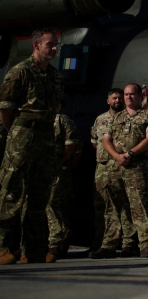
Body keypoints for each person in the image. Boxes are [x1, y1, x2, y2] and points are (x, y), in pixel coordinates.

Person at [0, 27, 64, 265]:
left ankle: (34, 250)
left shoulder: (55, 76)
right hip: (22, 135)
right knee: (11, 192)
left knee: (40, 195)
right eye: (50, 44)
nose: (55, 48)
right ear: (36, 45)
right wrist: (15, 134)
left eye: (56, 44)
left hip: (46, 137)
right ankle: (4, 247)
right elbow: (5, 108)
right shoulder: (20, 72)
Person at [103, 82, 148, 258]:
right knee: (113, 207)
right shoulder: (115, 118)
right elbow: (106, 140)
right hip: (116, 166)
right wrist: (117, 156)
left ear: (140, 96)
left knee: (139, 206)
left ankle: (146, 244)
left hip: (136, 167)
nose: (128, 97)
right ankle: (109, 245)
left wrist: (131, 153)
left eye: (132, 94)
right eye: (126, 94)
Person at [89, 88, 134, 258]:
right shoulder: (100, 119)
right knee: (102, 206)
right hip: (102, 166)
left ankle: (128, 243)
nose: (117, 100)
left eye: (119, 98)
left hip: (121, 166)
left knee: (125, 205)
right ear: (108, 101)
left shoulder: (128, 118)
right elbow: (95, 142)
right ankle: (101, 242)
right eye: (114, 98)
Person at [46, 106, 80, 259]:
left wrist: (61, 162)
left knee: (52, 204)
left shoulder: (62, 120)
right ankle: (61, 241)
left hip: (57, 170)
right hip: (47, 169)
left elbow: (72, 146)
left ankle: (55, 243)